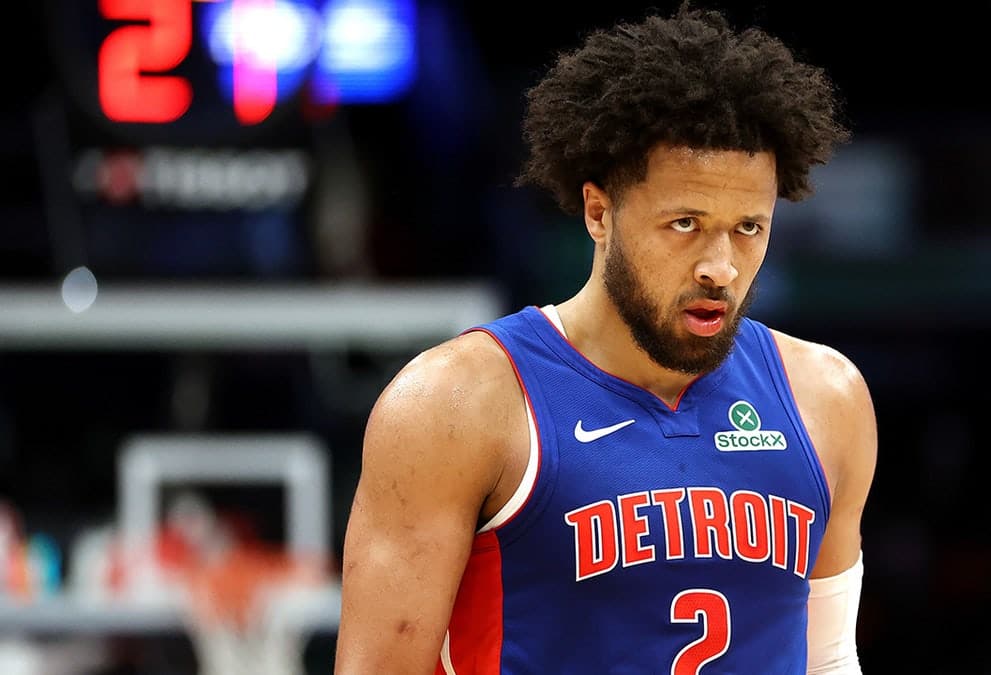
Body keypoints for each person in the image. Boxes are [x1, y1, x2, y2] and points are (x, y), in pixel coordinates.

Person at [334, 4, 876, 673]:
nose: (720, 266)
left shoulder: (827, 397)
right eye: (685, 223)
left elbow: (828, 659)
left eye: (748, 228)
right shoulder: (456, 404)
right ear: (599, 211)